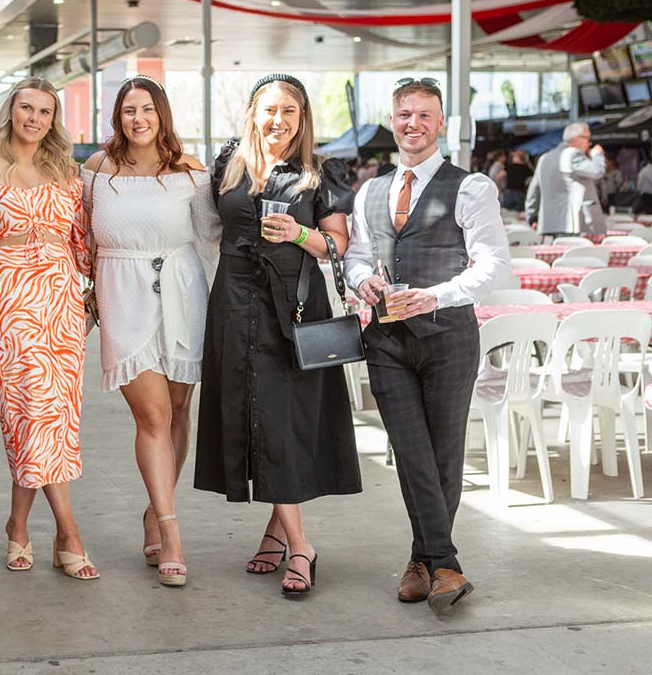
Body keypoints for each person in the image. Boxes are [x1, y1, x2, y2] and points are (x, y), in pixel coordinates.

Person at [345, 78, 509, 614]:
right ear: (392, 121)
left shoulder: (472, 187)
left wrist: (435, 296)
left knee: (443, 456)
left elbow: (492, 265)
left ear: (440, 123)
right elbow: (358, 257)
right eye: (403, 114)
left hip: (449, 339)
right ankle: (445, 564)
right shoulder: (370, 191)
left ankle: (423, 562)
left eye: (423, 115)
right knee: (411, 453)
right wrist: (361, 279)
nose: (412, 123)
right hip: (386, 339)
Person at [195, 73, 362, 598]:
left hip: (292, 307)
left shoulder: (320, 171)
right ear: (252, 113)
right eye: (270, 109)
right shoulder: (228, 163)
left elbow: (338, 244)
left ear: (302, 118)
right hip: (233, 301)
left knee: (279, 417)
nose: (279, 120)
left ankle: (301, 546)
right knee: (253, 415)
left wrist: (298, 232)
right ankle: (275, 531)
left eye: (290, 111)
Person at [83, 75, 218, 588]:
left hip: (184, 294)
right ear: (117, 118)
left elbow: (213, 236)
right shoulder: (96, 172)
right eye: (128, 111)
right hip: (124, 294)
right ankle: (170, 528)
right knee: (153, 415)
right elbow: (74, 230)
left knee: (180, 410)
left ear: (162, 114)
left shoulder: (190, 172)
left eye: (146, 109)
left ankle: (154, 509)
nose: (137, 119)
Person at [0, 77, 98, 580]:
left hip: (60, 302)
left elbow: (83, 243)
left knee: (53, 416)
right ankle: (68, 529)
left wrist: (96, 300)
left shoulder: (67, 171)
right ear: (10, 111)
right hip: (11, 298)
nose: (34, 118)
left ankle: (18, 525)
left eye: (45, 110)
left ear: (53, 118)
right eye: (26, 107)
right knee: (29, 408)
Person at [525, 122, 606, 236]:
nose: (590, 143)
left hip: (547, 225)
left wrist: (532, 216)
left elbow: (533, 191)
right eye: (588, 138)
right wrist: (597, 155)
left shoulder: (544, 158)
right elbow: (598, 171)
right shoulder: (573, 154)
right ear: (578, 138)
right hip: (572, 224)